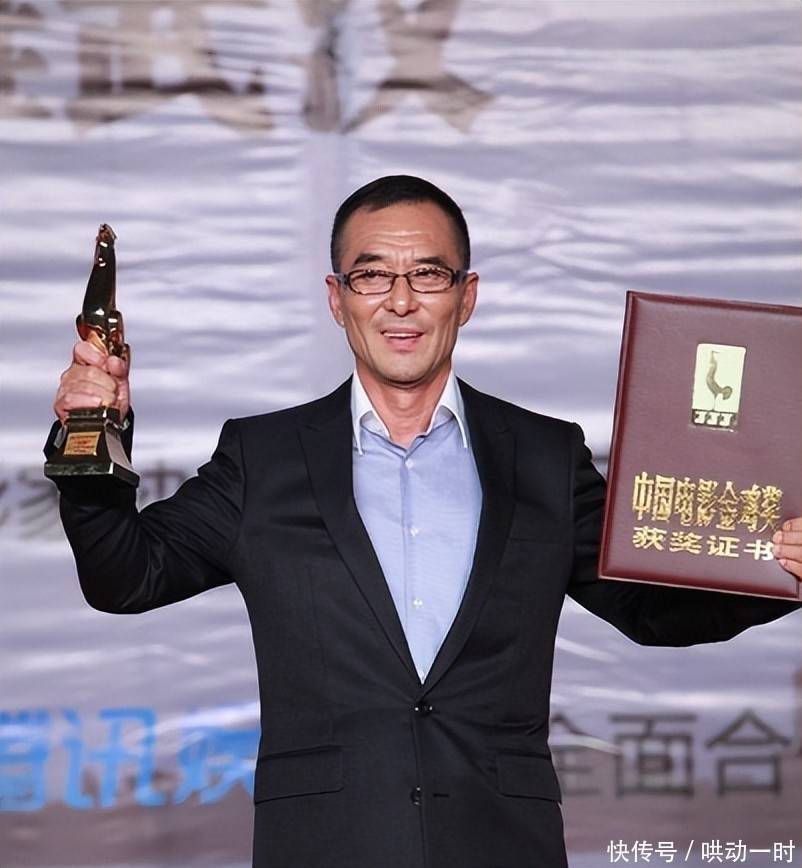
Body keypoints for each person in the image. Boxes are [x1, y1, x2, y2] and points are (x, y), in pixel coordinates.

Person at [47, 175, 802, 868]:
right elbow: (126, 578)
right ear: (337, 298)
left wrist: (779, 566)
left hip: (502, 842)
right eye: (372, 275)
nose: (400, 302)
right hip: (325, 844)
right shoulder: (264, 458)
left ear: (466, 296)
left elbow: (652, 608)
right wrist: (93, 438)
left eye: (429, 275)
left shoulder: (543, 455)